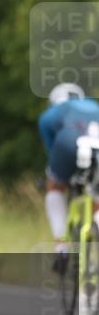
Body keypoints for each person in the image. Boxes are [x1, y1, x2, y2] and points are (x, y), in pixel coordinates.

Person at [38, 82, 99, 274]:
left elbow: (53, 150)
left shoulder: (51, 114)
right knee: (96, 193)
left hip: (68, 142)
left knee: (55, 185)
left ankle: (61, 247)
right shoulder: (93, 106)